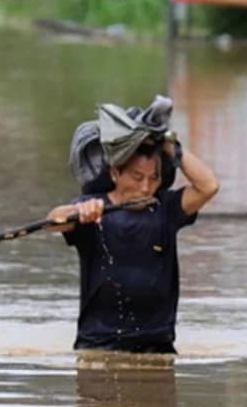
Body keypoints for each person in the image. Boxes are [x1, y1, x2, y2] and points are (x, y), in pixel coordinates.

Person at [47, 132, 218, 354]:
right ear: (116, 173)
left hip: (158, 345)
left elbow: (209, 186)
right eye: (137, 178)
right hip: (98, 345)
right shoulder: (92, 208)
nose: (146, 187)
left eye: (153, 178)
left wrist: (169, 145)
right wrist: (77, 212)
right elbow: (52, 222)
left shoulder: (166, 208)